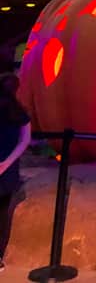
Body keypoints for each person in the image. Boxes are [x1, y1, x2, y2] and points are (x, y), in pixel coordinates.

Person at [0, 73, 31, 272]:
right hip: (7, 171)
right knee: (2, 214)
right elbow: (25, 141)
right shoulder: (20, 112)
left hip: (5, 169)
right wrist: (7, 163)